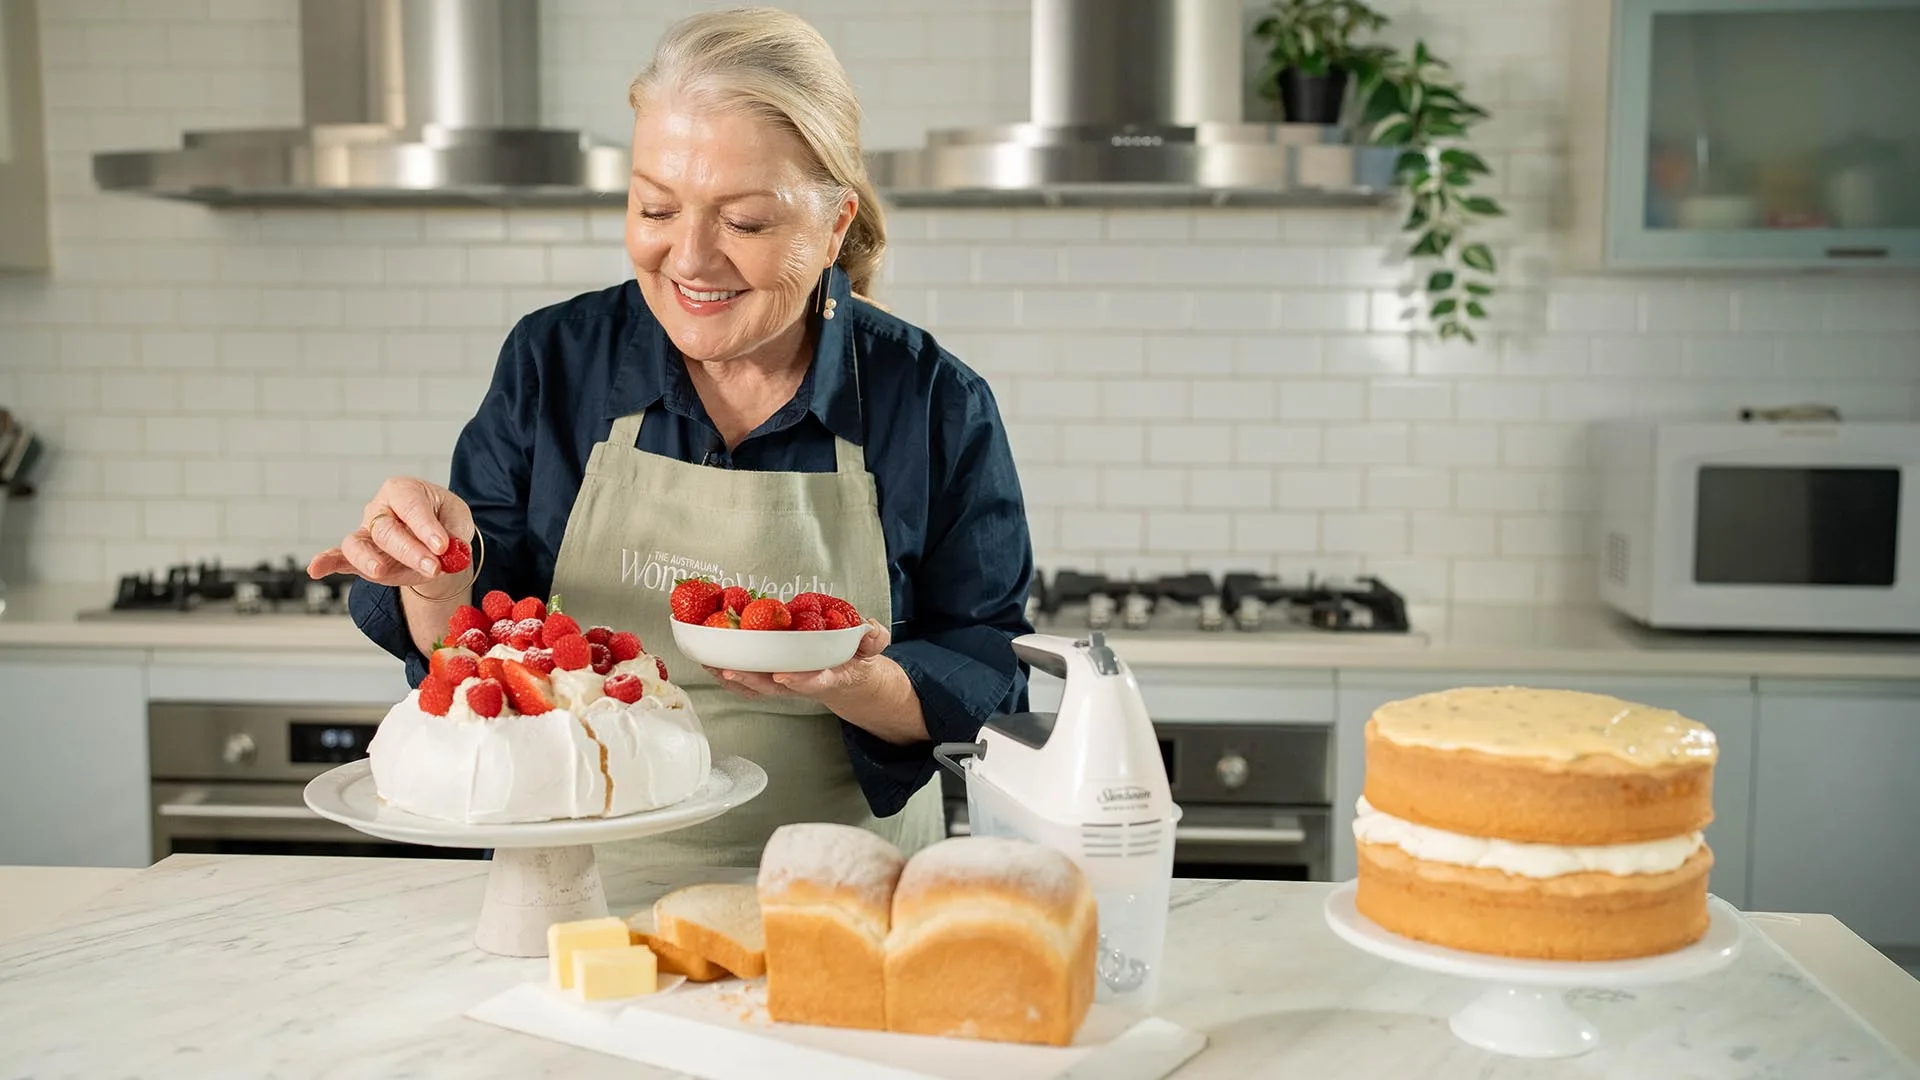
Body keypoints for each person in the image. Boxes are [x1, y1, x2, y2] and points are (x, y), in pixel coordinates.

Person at [306, 7, 1034, 867]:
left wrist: (863, 683)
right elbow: (468, 645)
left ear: (835, 224)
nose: (690, 259)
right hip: (572, 900)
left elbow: (991, 671)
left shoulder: (933, 401)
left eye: (747, 222)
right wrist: (439, 570)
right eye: (656, 209)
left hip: (837, 892)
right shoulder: (553, 362)